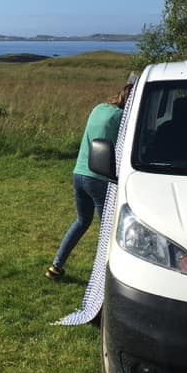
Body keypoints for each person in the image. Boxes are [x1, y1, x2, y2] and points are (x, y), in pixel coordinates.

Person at [46, 83, 133, 279]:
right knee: (108, 231)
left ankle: (56, 266)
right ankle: (106, 277)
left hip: (79, 173)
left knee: (82, 221)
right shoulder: (122, 118)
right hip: (99, 178)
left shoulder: (99, 108)